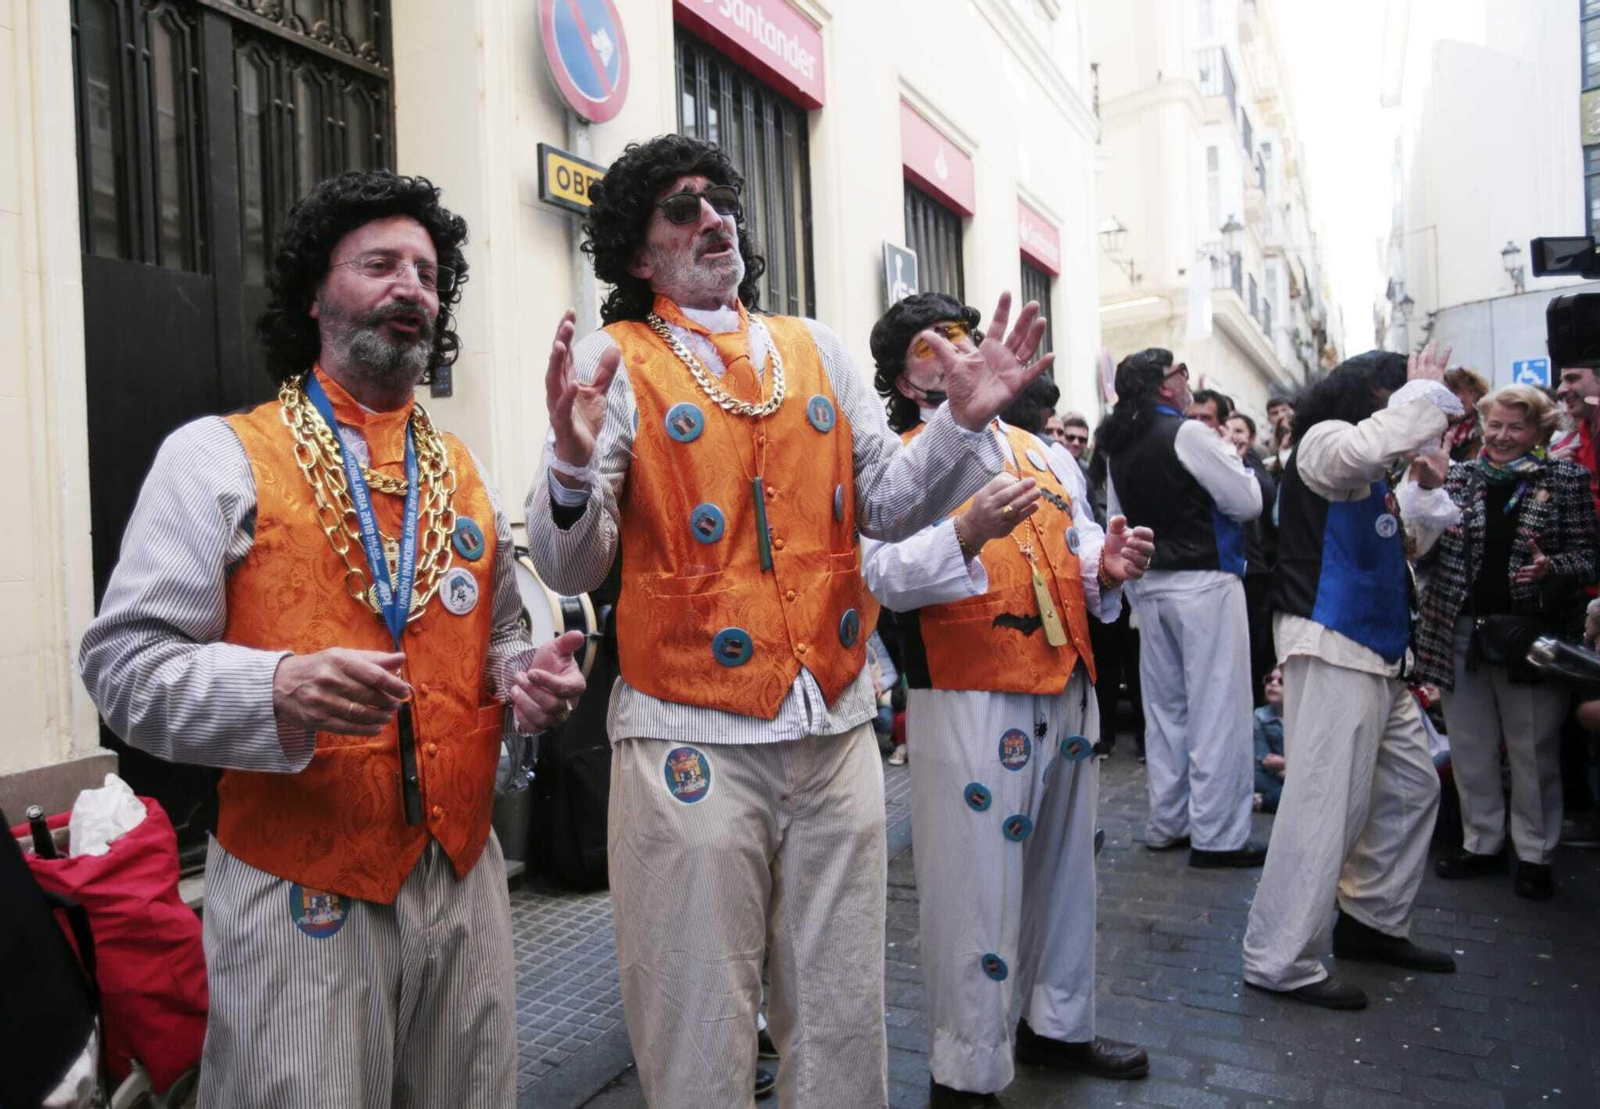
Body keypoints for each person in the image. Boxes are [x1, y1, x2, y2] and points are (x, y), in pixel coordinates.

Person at [524, 134, 1053, 1108]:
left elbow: (888, 504)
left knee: (842, 998)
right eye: (681, 208)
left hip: (833, 718)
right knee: (695, 1003)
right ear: (638, 252)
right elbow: (570, 562)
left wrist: (961, 422)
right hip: (691, 729)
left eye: (719, 200)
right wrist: (565, 468)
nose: (713, 217)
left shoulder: (815, 348)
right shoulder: (616, 360)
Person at [77, 170, 588, 1107]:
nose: (411, 288)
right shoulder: (218, 456)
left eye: (429, 275)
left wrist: (523, 676)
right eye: (381, 264)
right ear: (315, 292)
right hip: (297, 888)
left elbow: (498, 641)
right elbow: (122, 666)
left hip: (463, 884)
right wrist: (275, 686)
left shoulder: (461, 474)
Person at [862, 293, 1155, 1107]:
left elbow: (1081, 538)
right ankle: (967, 1067)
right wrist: (961, 532)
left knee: (1068, 873)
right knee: (974, 886)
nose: (954, 352)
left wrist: (1111, 563)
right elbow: (876, 574)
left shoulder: (1045, 452)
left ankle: (1057, 1026)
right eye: (931, 347)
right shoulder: (899, 461)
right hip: (969, 693)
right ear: (904, 378)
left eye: (962, 335)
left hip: (1065, 679)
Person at [1241, 346, 1462, 1012]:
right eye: (1404, 391)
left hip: (1374, 647)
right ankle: (1279, 956)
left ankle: (1371, 919)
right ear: (1375, 391)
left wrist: (1424, 484)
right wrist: (1420, 400)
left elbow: (1405, 546)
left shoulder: (1373, 464)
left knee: (1411, 783)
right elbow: (1360, 451)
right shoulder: (1324, 440)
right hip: (1332, 636)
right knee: (1321, 797)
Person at [1407, 384, 1598, 899]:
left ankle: (1534, 854)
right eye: (1495, 425)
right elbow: (1422, 548)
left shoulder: (1565, 478)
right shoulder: (1460, 476)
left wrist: (1552, 567)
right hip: (1459, 628)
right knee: (1469, 745)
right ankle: (1482, 843)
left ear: (1539, 431)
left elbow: (1589, 557)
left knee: (1532, 748)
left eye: (1517, 427)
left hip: (1526, 634)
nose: (1503, 436)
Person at [1097, 349, 1265, 867]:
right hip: (1205, 581)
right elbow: (1247, 502)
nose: (1187, 380)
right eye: (1181, 373)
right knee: (1218, 709)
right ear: (1164, 387)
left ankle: (1167, 820)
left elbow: (1116, 521)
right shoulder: (1189, 433)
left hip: (1152, 587)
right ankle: (1218, 835)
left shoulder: (1117, 447)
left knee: (1165, 710)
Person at [1226, 412, 1280, 705]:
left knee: (1254, 646)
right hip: (1226, 569)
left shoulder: (1254, 463)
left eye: (1240, 430)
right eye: (1229, 429)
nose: (1234, 435)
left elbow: (1265, 496)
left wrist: (1240, 460)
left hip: (1254, 571)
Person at [1253, 669, 1286, 813]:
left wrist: (1287, 764)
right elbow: (1266, 760)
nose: (1273, 683)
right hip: (1269, 776)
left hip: (1296, 775)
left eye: (1281, 681)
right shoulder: (1259, 716)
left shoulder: (1306, 716)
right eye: (1269, 679)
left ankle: (1262, 801)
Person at [1442, 367, 1489, 462]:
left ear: (1475, 393)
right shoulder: (1433, 434)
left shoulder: (1489, 432)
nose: (1445, 401)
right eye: (1441, 394)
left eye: (1453, 393)